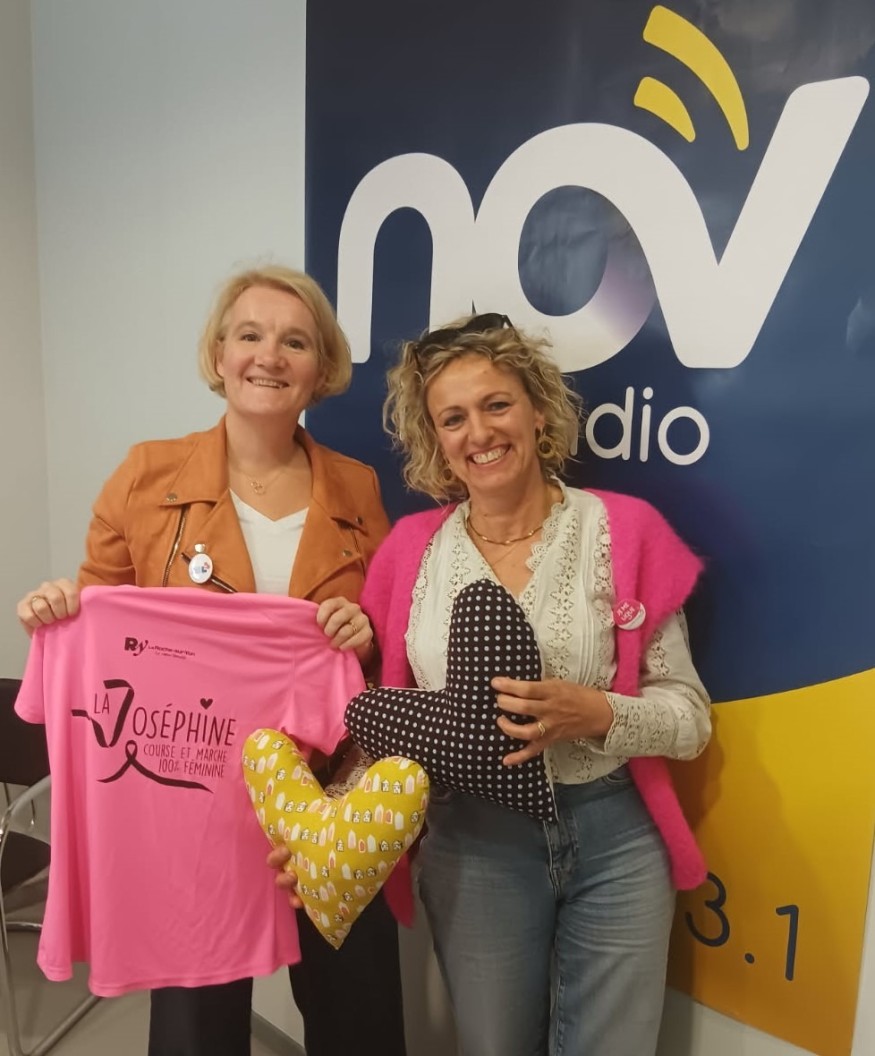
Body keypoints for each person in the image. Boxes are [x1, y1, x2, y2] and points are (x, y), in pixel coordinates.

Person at [15, 266, 406, 1056]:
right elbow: (105, 624)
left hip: (328, 794)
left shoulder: (357, 488)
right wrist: (61, 610)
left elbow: (389, 639)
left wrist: (363, 635)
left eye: (295, 341)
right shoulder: (146, 475)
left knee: (357, 1013)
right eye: (250, 335)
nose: (270, 356)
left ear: (320, 367)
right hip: (190, 797)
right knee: (196, 1029)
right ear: (219, 353)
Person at [355, 312, 711, 1056]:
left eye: (496, 404)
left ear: (537, 410)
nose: (479, 432)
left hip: (615, 840)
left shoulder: (624, 532)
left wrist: (598, 713)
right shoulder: (409, 554)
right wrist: (328, 824)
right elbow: (383, 723)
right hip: (473, 843)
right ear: (435, 440)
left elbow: (689, 718)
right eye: (453, 418)